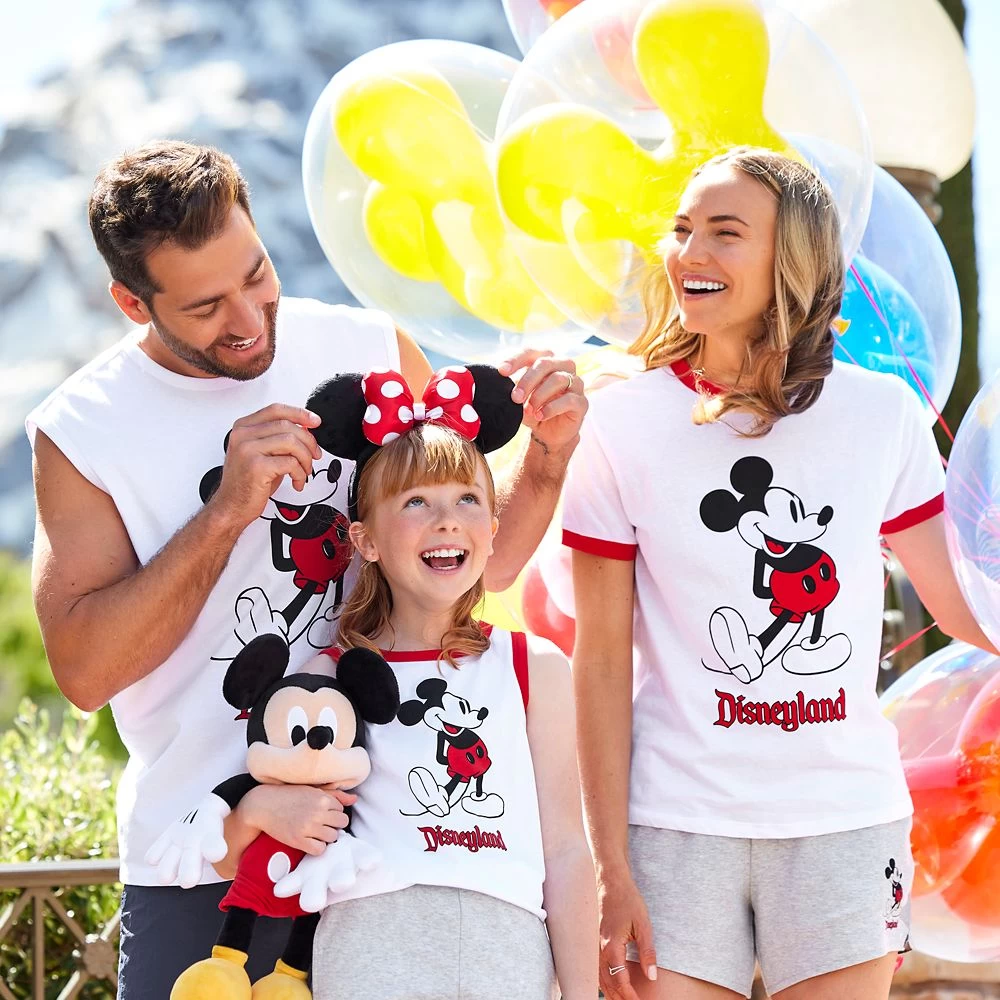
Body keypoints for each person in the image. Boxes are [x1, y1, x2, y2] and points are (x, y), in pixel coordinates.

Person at [25, 140, 587, 999]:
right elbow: (84, 672)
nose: (247, 317)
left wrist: (545, 459)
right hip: (207, 860)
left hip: (392, 852)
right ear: (132, 302)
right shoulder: (83, 430)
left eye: (256, 274)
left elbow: (479, 561)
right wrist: (226, 511)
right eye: (206, 305)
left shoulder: (366, 346)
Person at [563, 147, 996, 1000]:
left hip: (844, 824)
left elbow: (960, 605)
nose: (690, 254)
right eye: (683, 230)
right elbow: (601, 660)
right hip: (673, 827)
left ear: (791, 258)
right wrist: (609, 866)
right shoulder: (620, 424)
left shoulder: (883, 415)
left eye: (725, 233)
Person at [202, 363, 596, 999]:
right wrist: (257, 809)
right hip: (370, 953)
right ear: (365, 540)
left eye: (467, 499)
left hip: (509, 957)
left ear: (492, 528)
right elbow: (228, 854)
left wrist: (581, 993)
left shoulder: (534, 667)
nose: (447, 520)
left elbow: (568, 852)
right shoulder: (325, 680)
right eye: (416, 502)